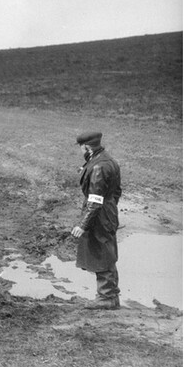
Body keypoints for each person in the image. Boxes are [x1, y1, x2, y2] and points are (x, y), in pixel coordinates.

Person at [71, 131, 123, 310]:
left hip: (98, 215)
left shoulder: (98, 167)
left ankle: (106, 298)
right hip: (108, 212)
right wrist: (110, 208)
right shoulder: (109, 160)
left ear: (86, 147)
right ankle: (110, 296)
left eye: (81, 147)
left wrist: (82, 225)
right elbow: (117, 191)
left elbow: (94, 201)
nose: (80, 150)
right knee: (107, 251)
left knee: (102, 253)